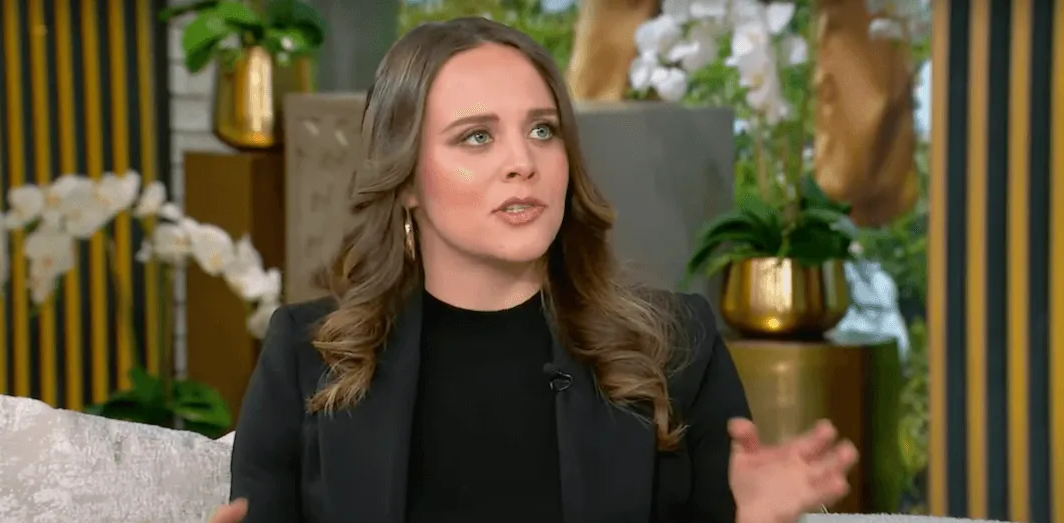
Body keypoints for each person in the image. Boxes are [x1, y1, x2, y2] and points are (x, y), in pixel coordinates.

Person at [214, 16, 857, 523]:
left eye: (543, 130)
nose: (523, 161)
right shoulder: (307, 357)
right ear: (406, 177)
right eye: (477, 136)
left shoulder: (674, 348)